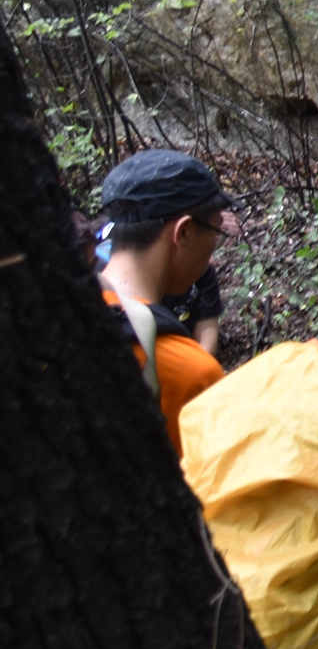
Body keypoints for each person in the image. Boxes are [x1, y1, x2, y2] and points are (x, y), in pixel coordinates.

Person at [94, 149, 236, 457]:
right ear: (183, 233)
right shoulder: (191, 374)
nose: (214, 246)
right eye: (215, 231)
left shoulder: (62, 314)